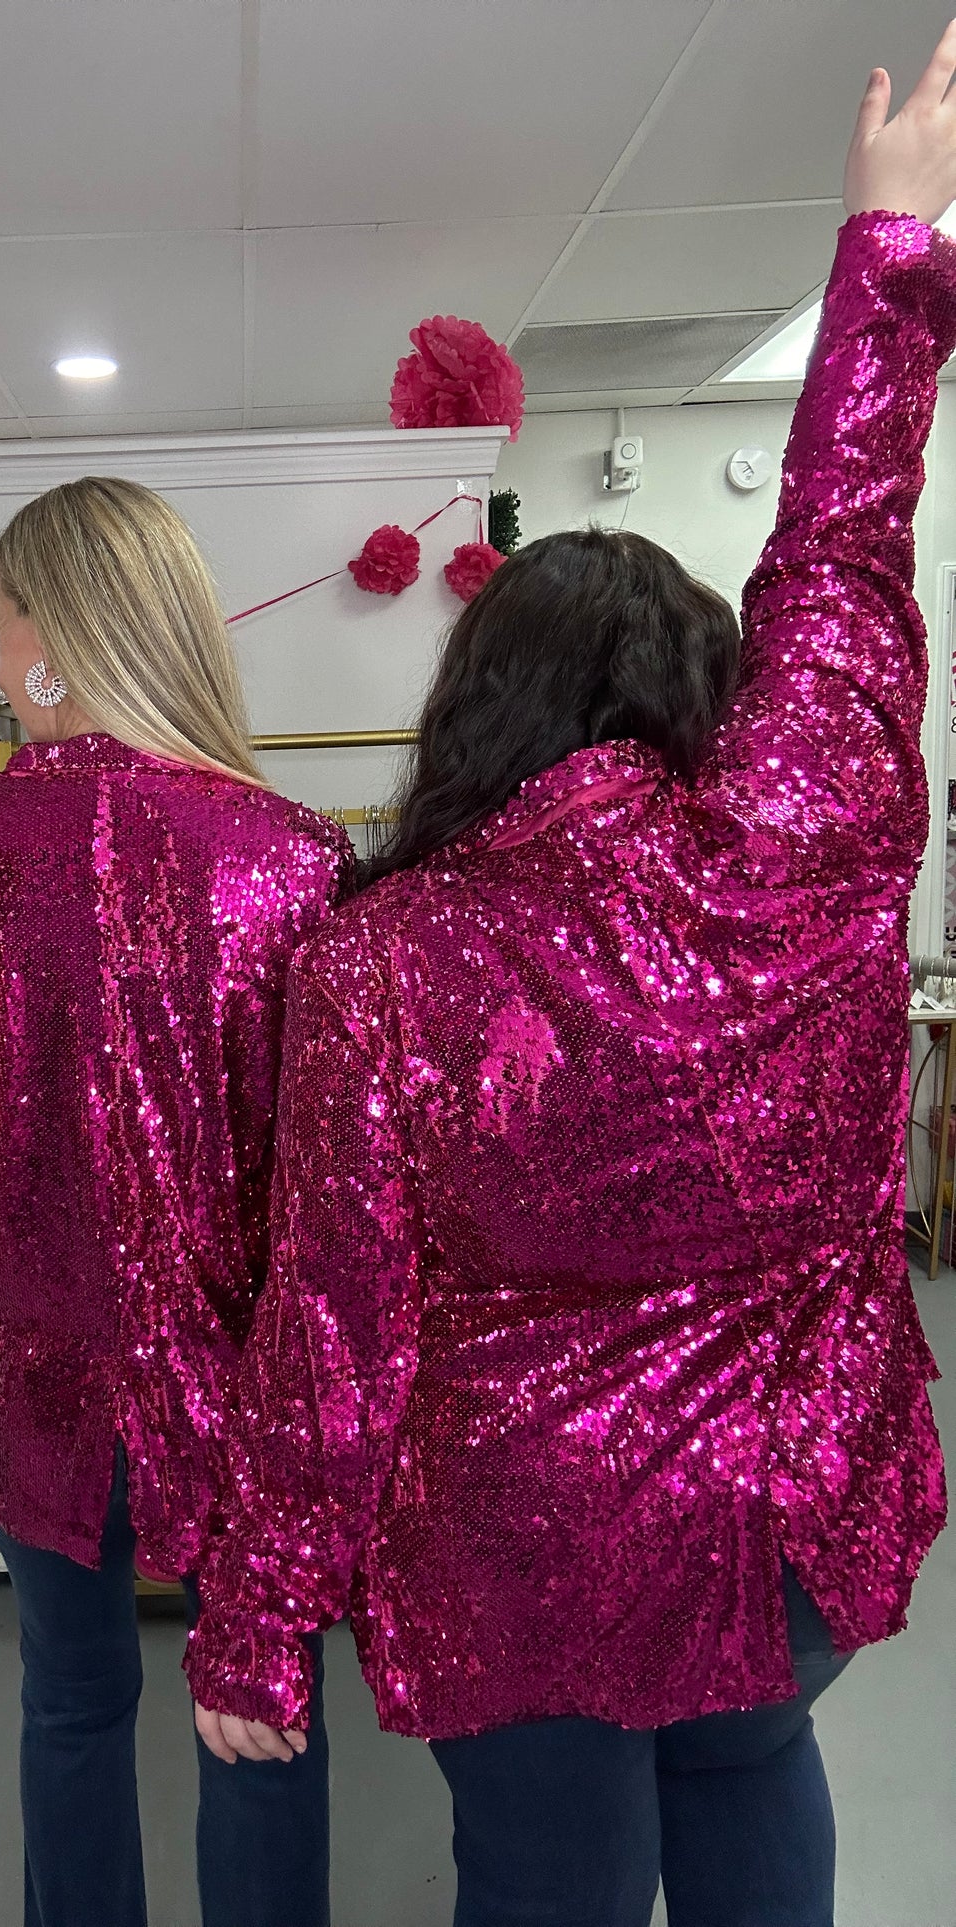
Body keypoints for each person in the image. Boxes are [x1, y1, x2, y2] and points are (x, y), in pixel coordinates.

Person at [187, 31, 956, 1927]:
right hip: (787, 1495)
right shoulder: (804, 849)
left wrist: (260, 1622)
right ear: (711, 709)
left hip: (513, 1538)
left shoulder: (380, 963)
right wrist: (889, 251)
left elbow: (334, 1333)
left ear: (478, 711)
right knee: (759, 1781)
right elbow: (842, 567)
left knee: (540, 1877)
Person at [0, 476, 351, 1927]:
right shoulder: (295, 854)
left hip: (33, 1355)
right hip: (253, 1368)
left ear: (52, 638)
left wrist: (7, 1282)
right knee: (263, 1713)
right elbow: (319, 1173)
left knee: (69, 1703)